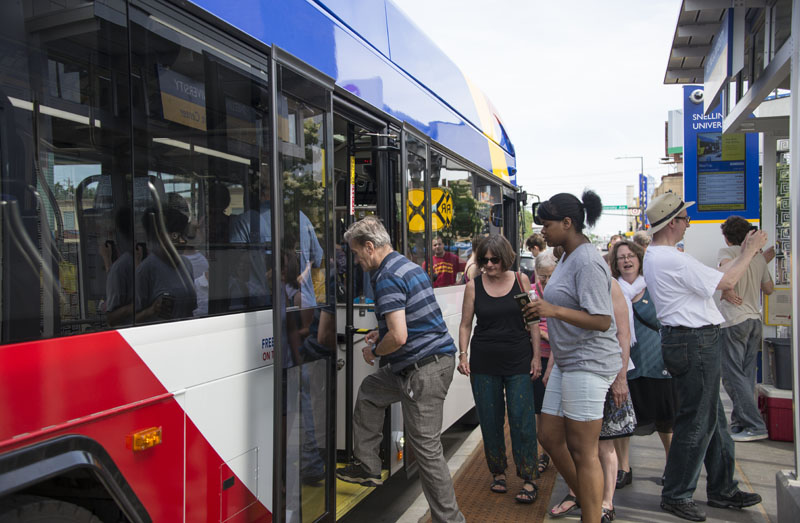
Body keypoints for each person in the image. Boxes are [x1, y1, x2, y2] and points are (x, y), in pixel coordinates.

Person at [643, 192, 766, 521]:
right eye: (684, 219)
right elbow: (727, 279)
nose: (688, 224)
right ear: (672, 224)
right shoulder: (672, 258)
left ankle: (722, 487)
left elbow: (714, 283)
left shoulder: (660, 256)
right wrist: (750, 250)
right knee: (697, 421)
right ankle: (678, 493)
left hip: (690, 340)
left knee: (711, 419)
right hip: (694, 341)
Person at [336, 216, 465, 523]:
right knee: (369, 392)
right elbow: (412, 319)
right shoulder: (407, 266)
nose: (356, 260)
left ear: (370, 247)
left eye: (356, 253)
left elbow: (401, 336)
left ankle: (451, 520)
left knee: (427, 453)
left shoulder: (386, 277)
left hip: (422, 370)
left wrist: (375, 349)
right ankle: (367, 466)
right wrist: (382, 333)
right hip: (423, 365)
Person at [523, 190, 621, 523]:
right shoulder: (566, 256)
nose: (543, 232)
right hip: (568, 361)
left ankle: (592, 513)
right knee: (549, 436)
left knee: (583, 451)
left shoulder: (588, 261)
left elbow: (602, 320)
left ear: (568, 223)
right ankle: (587, 496)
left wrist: (553, 310)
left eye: (548, 225)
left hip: (589, 363)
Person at [457, 234, 542, 504]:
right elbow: (465, 324)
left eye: (494, 260)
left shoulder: (520, 281)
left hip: (518, 359)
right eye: (484, 260)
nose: (489, 265)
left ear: (505, 258)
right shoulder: (474, 286)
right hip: (484, 361)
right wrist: (463, 354)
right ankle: (498, 472)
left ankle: (528, 477)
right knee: (490, 421)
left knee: (522, 420)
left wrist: (537, 357)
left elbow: (532, 323)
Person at [609, 240, 676, 490]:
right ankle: (623, 469)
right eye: (620, 258)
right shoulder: (612, 289)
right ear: (615, 264)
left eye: (630, 256)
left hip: (656, 363)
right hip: (626, 366)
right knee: (623, 420)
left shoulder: (654, 287)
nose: (626, 261)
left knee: (665, 420)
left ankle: (672, 467)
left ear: (639, 259)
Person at [718, 216, 774, 441]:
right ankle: (740, 423)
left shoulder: (727, 252)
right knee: (747, 375)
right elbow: (768, 289)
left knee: (732, 376)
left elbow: (723, 274)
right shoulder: (758, 258)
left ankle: (755, 425)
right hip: (754, 320)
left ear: (727, 237)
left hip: (733, 320)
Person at [532, 252, 556, 475]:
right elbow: (526, 324)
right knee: (539, 410)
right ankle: (544, 453)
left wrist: (543, 333)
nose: (546, 281)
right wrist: (544, 333)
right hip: (538, 357)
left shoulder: (562, 293)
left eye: (550, 276)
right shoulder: (531, 293)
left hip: (558, 359)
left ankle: (555, 451)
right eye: (542, 277)